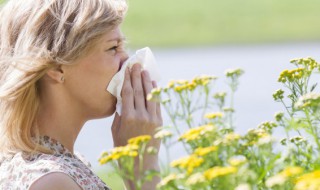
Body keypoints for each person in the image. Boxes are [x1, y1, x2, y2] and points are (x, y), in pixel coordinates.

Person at [0, 0, 162, 189]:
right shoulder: (52, 181)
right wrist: (142, 167)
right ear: (57, 68)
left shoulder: (56, 164)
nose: (127, 60)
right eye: (113, 48)